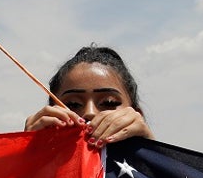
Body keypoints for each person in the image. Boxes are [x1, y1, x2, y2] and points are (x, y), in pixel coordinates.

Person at [24, 46, 154, 147]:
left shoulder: (158, 177)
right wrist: (27, 154)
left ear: (138, 115)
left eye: (109, 102)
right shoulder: (34, 171)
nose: (89, 113)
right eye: (73, 104)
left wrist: (153, 151)